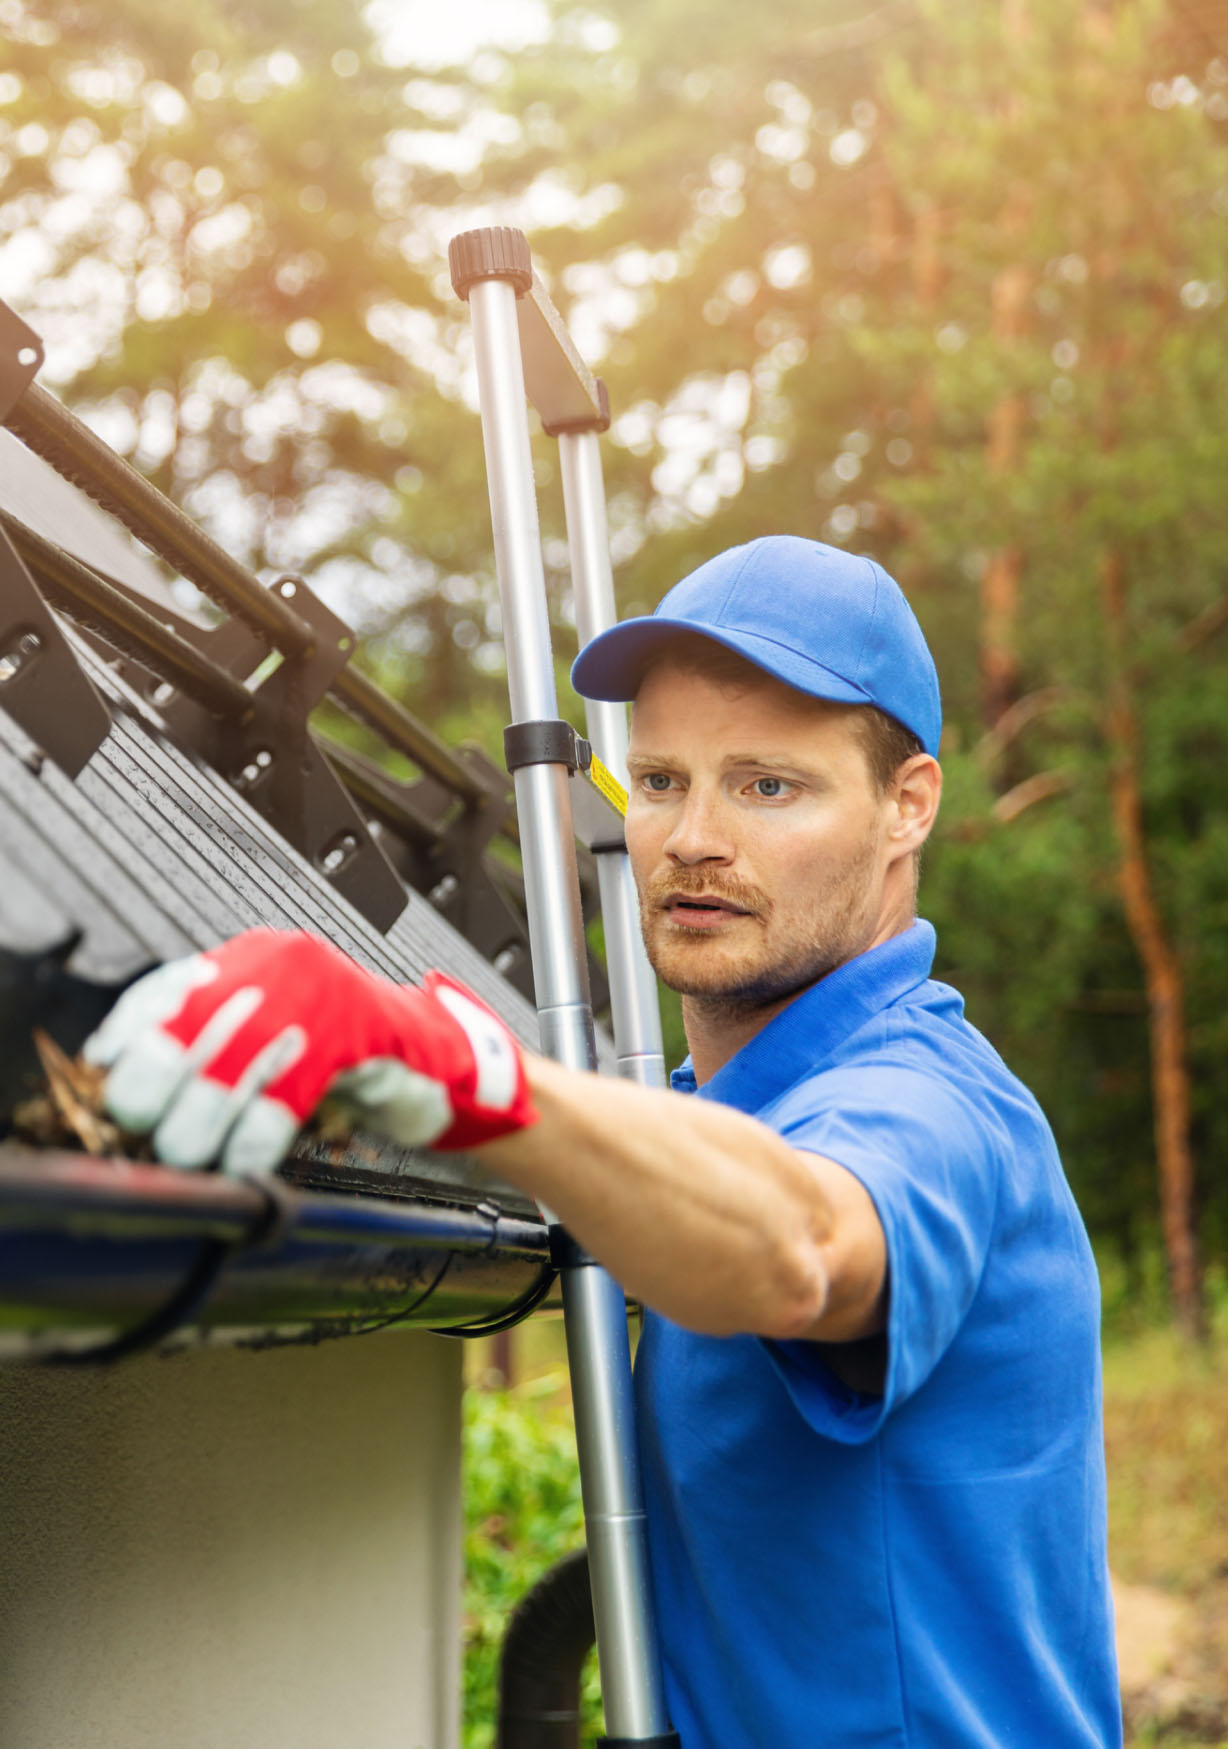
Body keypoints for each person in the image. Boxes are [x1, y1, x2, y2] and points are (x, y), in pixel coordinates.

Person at [86, 536, 1121, 1748]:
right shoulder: (708, 1113)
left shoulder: (929, 1106)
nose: (691, 838)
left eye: (767, 786)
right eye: (663, 780)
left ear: (909, 805)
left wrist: (472, 1081)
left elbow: (803, 1243)